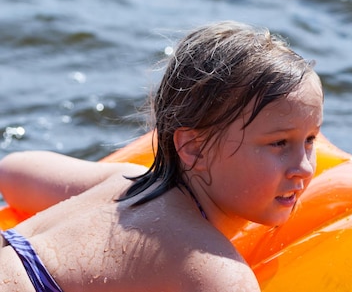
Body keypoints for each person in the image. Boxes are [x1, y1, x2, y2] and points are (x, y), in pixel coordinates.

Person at [0, 21, 324, 292]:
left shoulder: (124, 182)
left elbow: (12, 173)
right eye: (279, 144)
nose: (304, 168)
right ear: (194, 148)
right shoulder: (218, 275)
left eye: (310, 140)